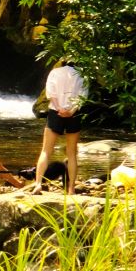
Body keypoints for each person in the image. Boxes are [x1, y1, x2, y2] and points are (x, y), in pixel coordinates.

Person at [32, 60, 88, 195]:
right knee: (71, 154)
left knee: (46, 151)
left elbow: (51, 94)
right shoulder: (83, 76)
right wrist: (71, 112)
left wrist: (59, 109)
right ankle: (71, 190)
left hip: (55, 112)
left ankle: (38, 184)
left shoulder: (55, 72)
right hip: (73, 115)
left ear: (63, 62)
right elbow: (82, 98)